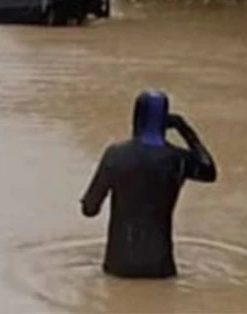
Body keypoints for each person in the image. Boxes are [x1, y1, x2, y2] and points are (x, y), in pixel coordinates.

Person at [80, 91, 217, 278]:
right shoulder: (178, 160)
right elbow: (209, 171)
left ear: (136, 118)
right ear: (165, 123)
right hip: (160, 268)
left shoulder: (116, 155)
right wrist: (185, 129)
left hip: (119, 266)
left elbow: (90, 209)